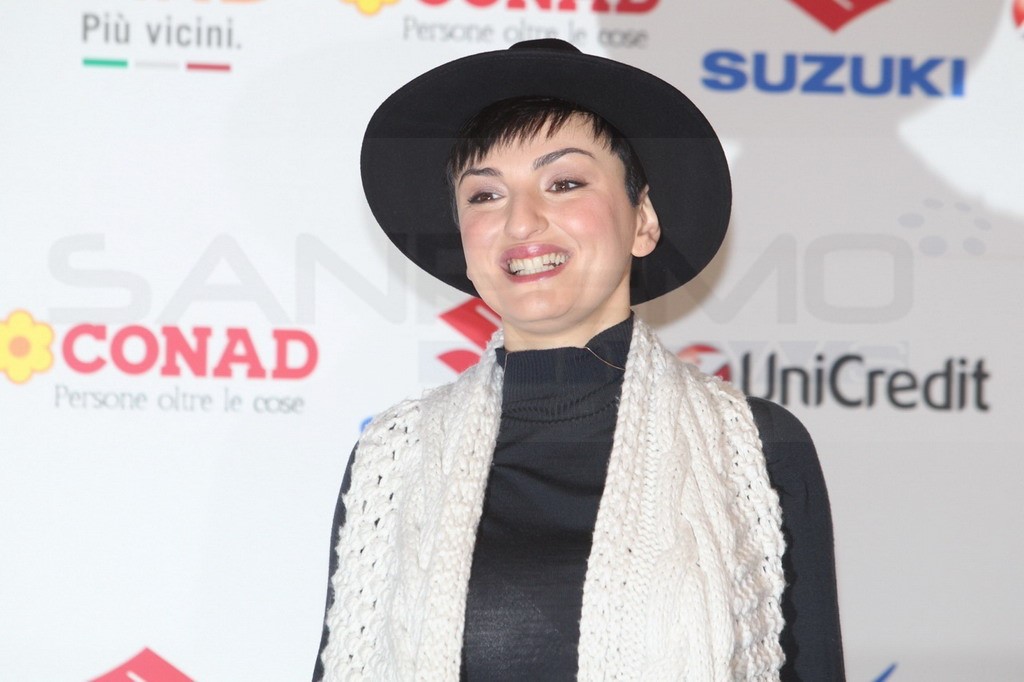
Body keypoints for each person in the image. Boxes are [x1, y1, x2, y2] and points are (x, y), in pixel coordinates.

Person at [315, 39, 844, 681]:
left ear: (643, 221)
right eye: (485, 195)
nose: (521, 222)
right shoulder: (394, 458)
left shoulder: (756, 449)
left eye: (564, 183)